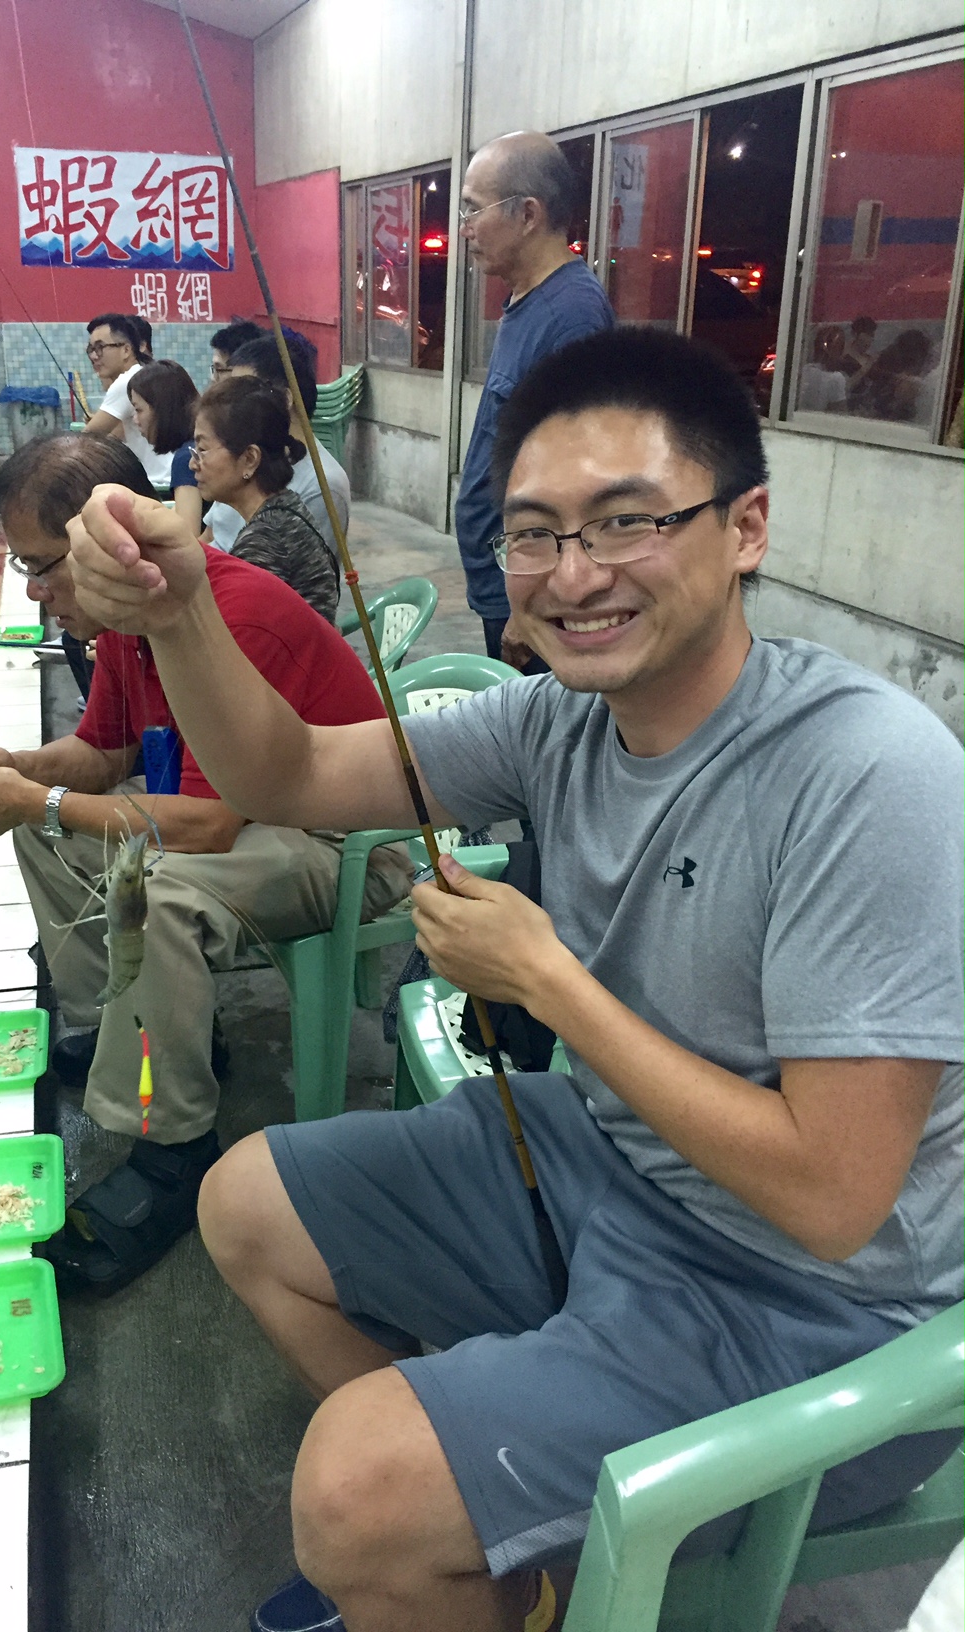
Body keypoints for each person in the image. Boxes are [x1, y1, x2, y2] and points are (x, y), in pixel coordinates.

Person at [67, 326, 965, 1632]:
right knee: (246, 1204)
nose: (572, 574)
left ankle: (440, 1541)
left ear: (747, 527)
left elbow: (836, 1199)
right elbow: (292, 776)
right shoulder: (559, 719)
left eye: (626, 524)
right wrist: (184, 604)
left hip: (814, 1314)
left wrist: (549, 983)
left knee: (351, 1492)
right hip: (615, 1169)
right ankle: (496, 1563)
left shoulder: (869, 776)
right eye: (536, 533)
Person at [0, 432, 409, 1295]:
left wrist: (30, 798)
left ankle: (174, 1149)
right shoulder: (124, 618)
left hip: (342, 845)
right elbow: (101, 752)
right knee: (44, 827)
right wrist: (12, 766)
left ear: (112, 540)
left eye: (44, 567)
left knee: (160, 891)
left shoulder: (239, 612)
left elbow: (202, 826)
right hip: (247, 827)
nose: (36, 594)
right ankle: (115, 1029)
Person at [455, 131, 614, 673]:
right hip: (501, 582)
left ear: (527, 214)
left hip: (527, 597)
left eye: (473, 210)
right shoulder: (525, 301)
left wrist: (533, 606)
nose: (466, 228)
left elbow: (576, 480)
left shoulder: (572, 316)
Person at [193, 375, 340, 621]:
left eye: (203, 450)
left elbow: (237, 639)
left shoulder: (266, 541)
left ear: (249, 459)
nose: (193, 463)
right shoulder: (284, 507)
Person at [208, 332, 352, 559]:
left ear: (285, 399)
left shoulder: (323, 485)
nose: (234, 408)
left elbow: (297, 583)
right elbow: (210, 537)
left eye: (246, 394)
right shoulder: (246, 457)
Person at [81, 312, 173, 490]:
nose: (94, 356)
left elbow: (86, 439)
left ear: (126, 350)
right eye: (91, 349)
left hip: (158, 484)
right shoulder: (147, 372)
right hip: (171, 477)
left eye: (100, 348)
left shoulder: (126, 381)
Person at [126, 360, 203, 536]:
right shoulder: (194, 447)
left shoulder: (186, 459)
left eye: (139, 410)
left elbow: (188, 538)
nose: (135, 420)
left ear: (162, 410)